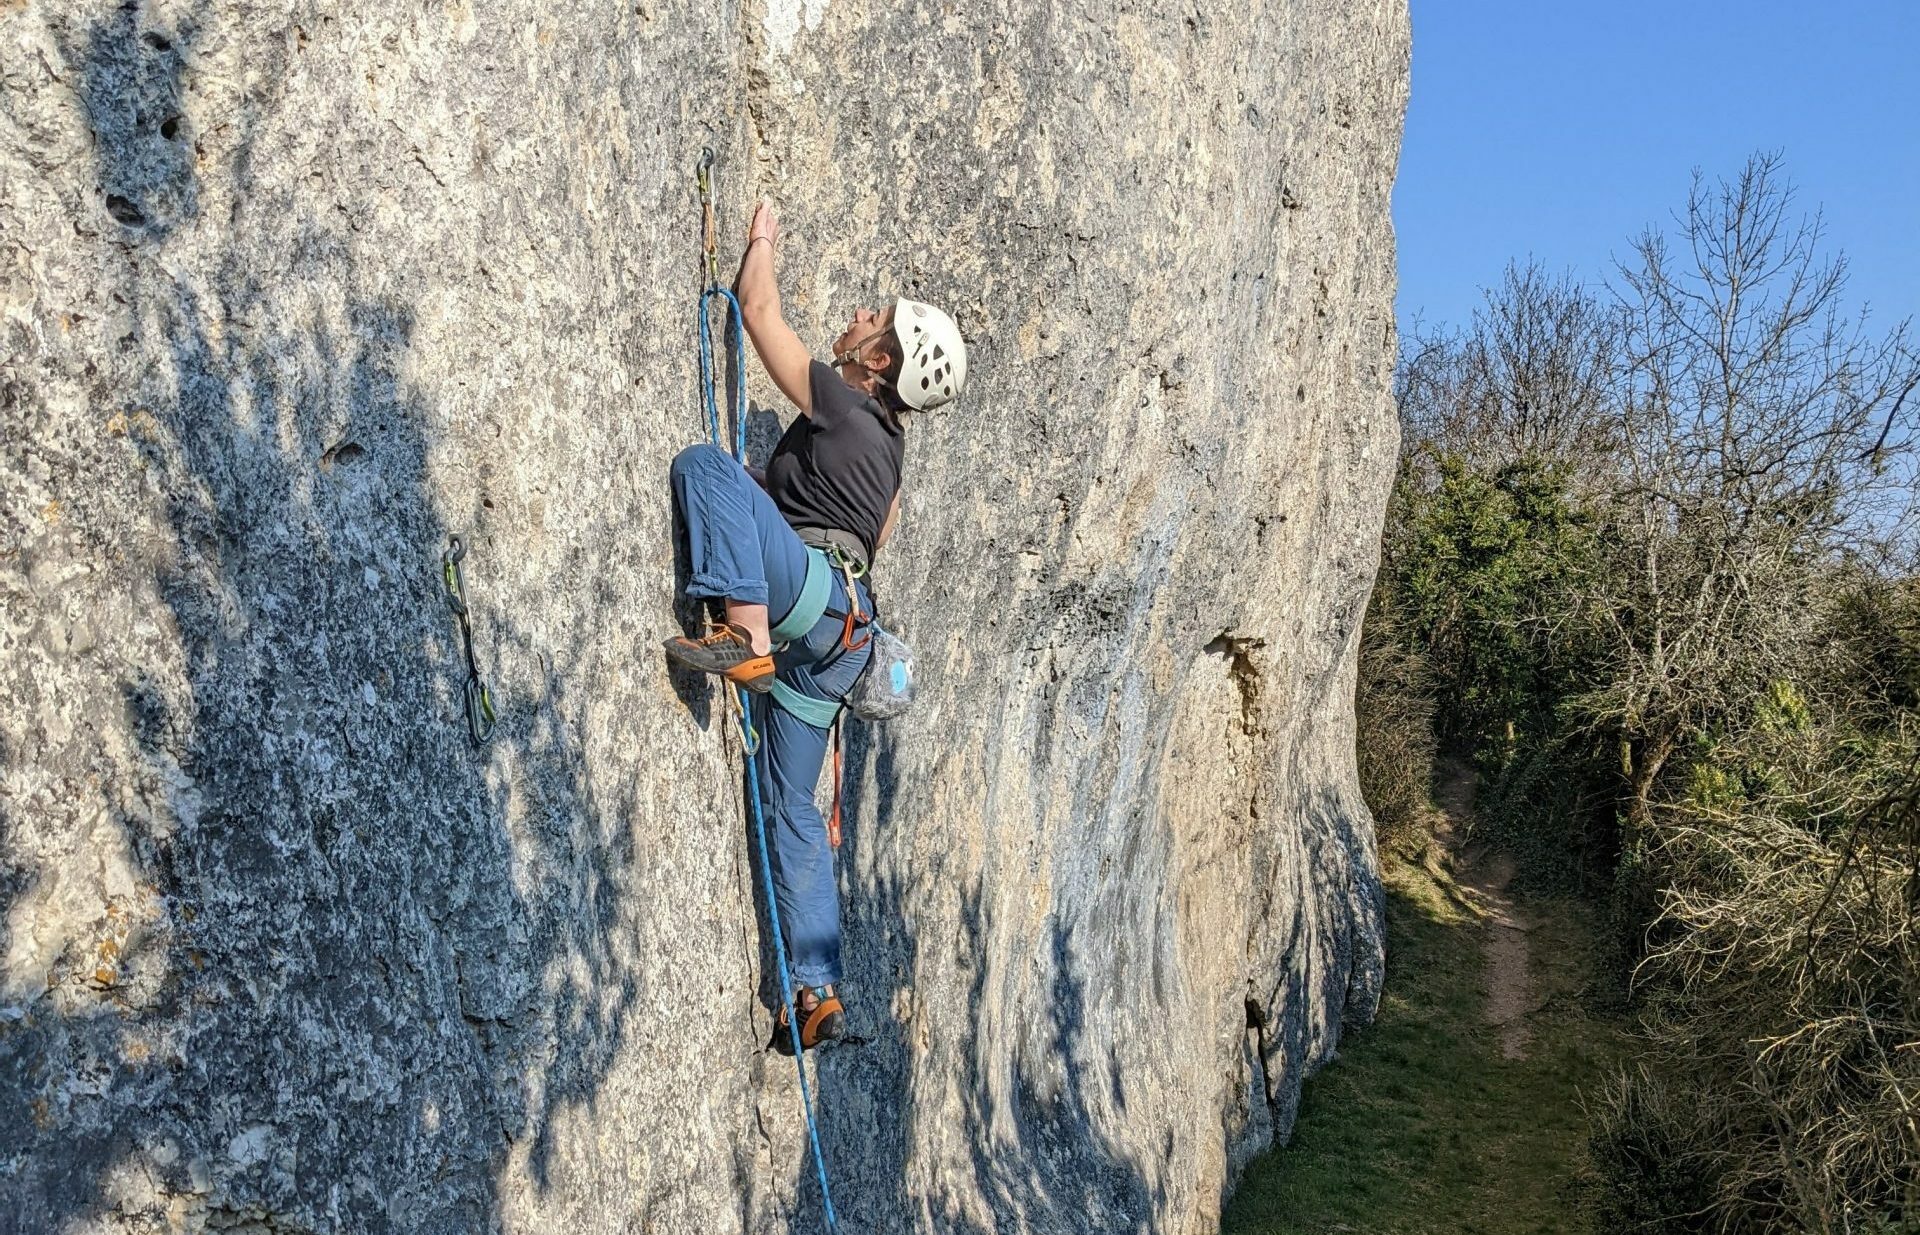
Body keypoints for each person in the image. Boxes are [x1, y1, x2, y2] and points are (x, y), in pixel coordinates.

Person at [664, 202, 967, 1053]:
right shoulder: (890, 454)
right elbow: (867, 527)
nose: (863, 314)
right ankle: (816, 990)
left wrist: (759, 247)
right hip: (840, 643)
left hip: (806, 606)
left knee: (706, 468)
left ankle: (745, 636)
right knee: (792, 807)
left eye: (878, 320)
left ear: (877, 364)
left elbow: (757, 311)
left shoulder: (844, 405)